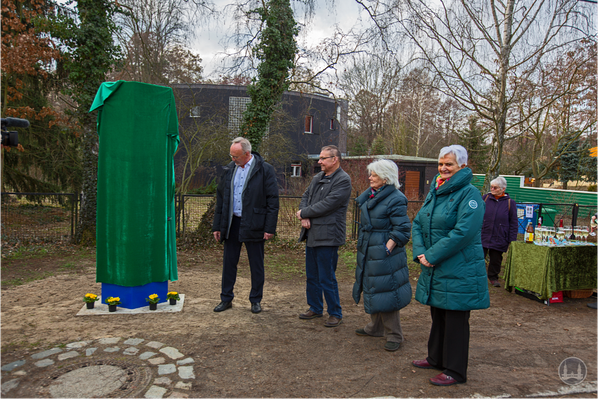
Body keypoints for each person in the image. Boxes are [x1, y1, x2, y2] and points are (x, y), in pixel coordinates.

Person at [411, 144, 490, 386]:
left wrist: (432, 255)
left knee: (455, 319)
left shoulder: (470, 195)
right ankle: (435, 358)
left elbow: (464, 232)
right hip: (436, 266)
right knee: (439, 315)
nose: (443, 168)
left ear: (462, 167)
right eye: (441, 164)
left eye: (449, 164)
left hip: (459, 267)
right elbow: (417, 223)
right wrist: (421, 252)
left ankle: (455, 370)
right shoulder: (436, 191)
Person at [212, 137, 279, 314]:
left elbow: (273, 200)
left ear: (247, 154)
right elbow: (221, 200)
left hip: (255, 223)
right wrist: (217, 226)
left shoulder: (265, 170)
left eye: (236, 156)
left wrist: (269, 228)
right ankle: (226, 299)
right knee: (228, 263)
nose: (233, 159)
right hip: (232, 223)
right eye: (231, 156)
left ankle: (255, 300)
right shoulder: (229, 169)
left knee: (256, 264)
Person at [353, 160, 412, 351]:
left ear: (386, 177)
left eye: (374, 175)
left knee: (388, 290)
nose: (370, 177)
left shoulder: (396, 198)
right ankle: (375, 327)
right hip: (370, 249)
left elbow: (402, 228)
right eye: (371, 174)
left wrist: (388, 247)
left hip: (385, 254)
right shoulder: (373, 195)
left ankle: (395, 334)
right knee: (372, 286)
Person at [296, 145, 352, 327]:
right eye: (319, 158)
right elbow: (306, 197)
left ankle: (335, 312)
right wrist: (304, 213)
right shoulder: (317, 178)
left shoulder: (343, 180)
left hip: (329, 236)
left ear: (334, 159)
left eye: (323, 158)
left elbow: (328, 204)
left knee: (327, 276)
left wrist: (305, 213)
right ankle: (315, 308)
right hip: (312, 233)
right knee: (312, 275)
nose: (319, 161)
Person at [481, 176, 518, 288]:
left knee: (496, 259)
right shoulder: (485, 198)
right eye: (491, 187)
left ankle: (493, 278)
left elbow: (513, 222)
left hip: (500, 236)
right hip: (483, 234)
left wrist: (512, 239)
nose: (492, 189)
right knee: (478, 257)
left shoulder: (510, 203)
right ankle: (477, 277)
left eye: (495, 188)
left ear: (503, 189)